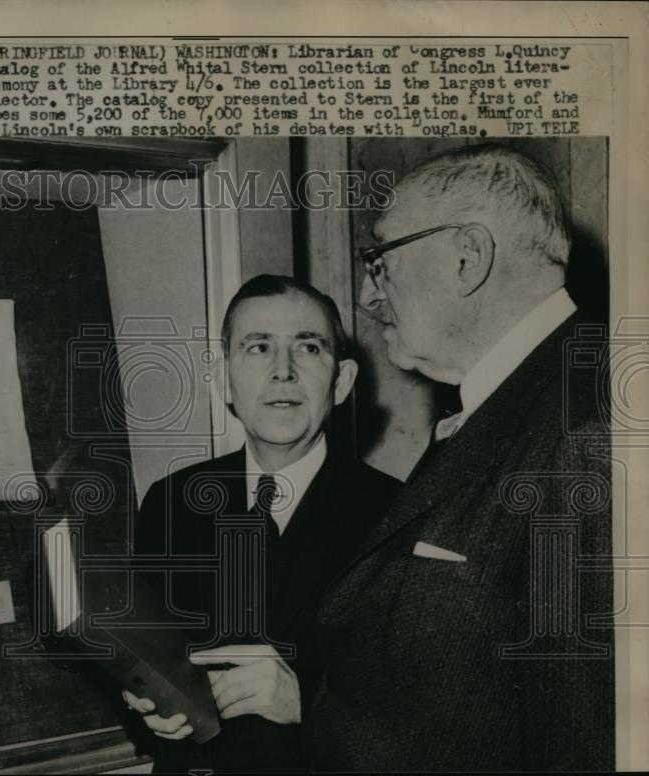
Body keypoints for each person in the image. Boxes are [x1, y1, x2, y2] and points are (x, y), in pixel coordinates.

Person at [305, 144, 614, 770]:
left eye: (380, 258)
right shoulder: (509, 403)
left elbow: (589, 740)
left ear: (467, 258)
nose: (368, 294)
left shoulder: (589, 426)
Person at [125, 274, 399, 773]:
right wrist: (145, 705)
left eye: (308, 347)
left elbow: (431, 705)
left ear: (341, 381)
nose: (283, 372)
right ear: (223, 379)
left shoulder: (397, 513)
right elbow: (143, 660)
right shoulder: (171, 503)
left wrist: (307, 703)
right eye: (258, 348)